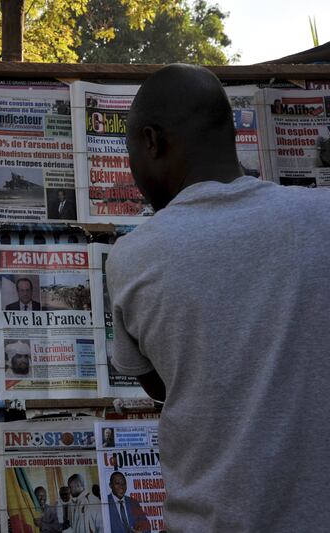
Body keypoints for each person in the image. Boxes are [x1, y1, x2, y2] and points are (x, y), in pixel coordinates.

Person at [106, 64, 330, 531]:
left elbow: (160, 387)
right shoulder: (321, 216)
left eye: (131, 153)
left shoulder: (133, 257)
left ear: (152, 141)